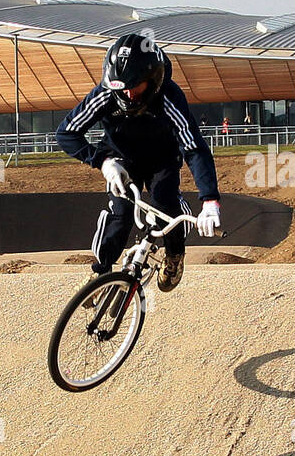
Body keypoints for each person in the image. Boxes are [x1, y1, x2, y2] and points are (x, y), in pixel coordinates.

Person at [55, 33, 221, 292]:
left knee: (163, 204)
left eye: (135, 86)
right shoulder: (106, 94)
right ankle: (100, 275)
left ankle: (175, 256)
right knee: (120, 215)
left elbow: (194, 147)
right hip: (120, 157)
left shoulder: (169, 97)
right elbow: (66, 133)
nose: (128, 94)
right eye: (121, 87)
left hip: (162, 159)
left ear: (152, 78)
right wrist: (102, 162)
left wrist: (210, 201)